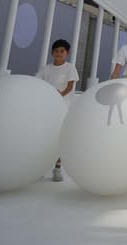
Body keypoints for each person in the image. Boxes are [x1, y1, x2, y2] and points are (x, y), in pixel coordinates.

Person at [38, 38, 79, 182]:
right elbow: (39, 83)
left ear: (66, 53)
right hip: (47, 107)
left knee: (59, 136)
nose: (59, 53)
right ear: (52, 53)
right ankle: (40, 167)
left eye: (62, 51)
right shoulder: (46, 68)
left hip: (63, 106)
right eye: (56, 51)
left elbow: (69, 87)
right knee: (44, 136)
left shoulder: (70, 68)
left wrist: (57, 95)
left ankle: (57, 167)